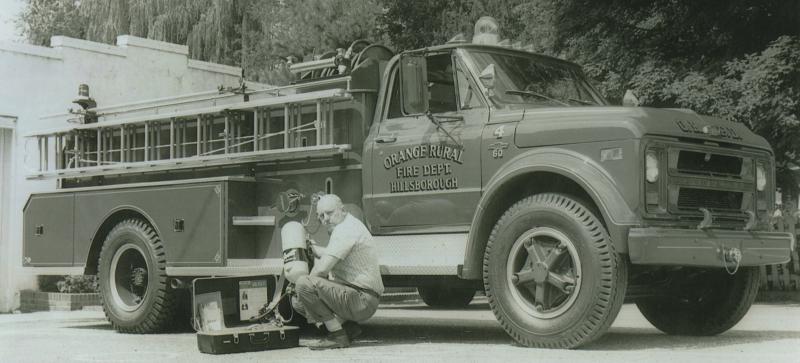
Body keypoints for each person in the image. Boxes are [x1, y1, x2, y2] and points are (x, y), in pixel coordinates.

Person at [291, 194, 384, 350]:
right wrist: (314, 250)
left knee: (302, 286)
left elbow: (321, 269)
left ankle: (337, 335)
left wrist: (304, 288)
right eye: (320, 216)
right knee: (299, 300)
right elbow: (331, 253)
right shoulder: (351, 224)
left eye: (329, 213)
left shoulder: (345, 230)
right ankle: (348, 328)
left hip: (362, 299)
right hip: (362, 297)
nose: (325, 219)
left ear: (342, 210)